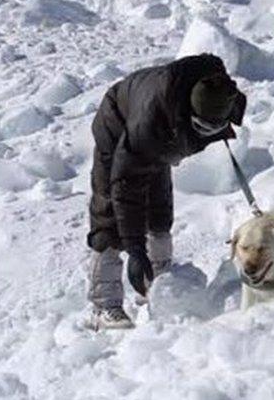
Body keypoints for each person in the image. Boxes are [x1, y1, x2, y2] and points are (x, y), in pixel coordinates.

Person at [86, 53, 246, 329]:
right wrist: (135, 249)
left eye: (215, 128)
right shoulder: (148, 125)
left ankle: (158, 287)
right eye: (201, 127)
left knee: (159, 209)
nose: (207, 133)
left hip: (163, 124)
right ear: (189, 114)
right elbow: (125, 186)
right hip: (118, 121)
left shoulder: (223, 94)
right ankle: (104, 305)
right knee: (110, 210)